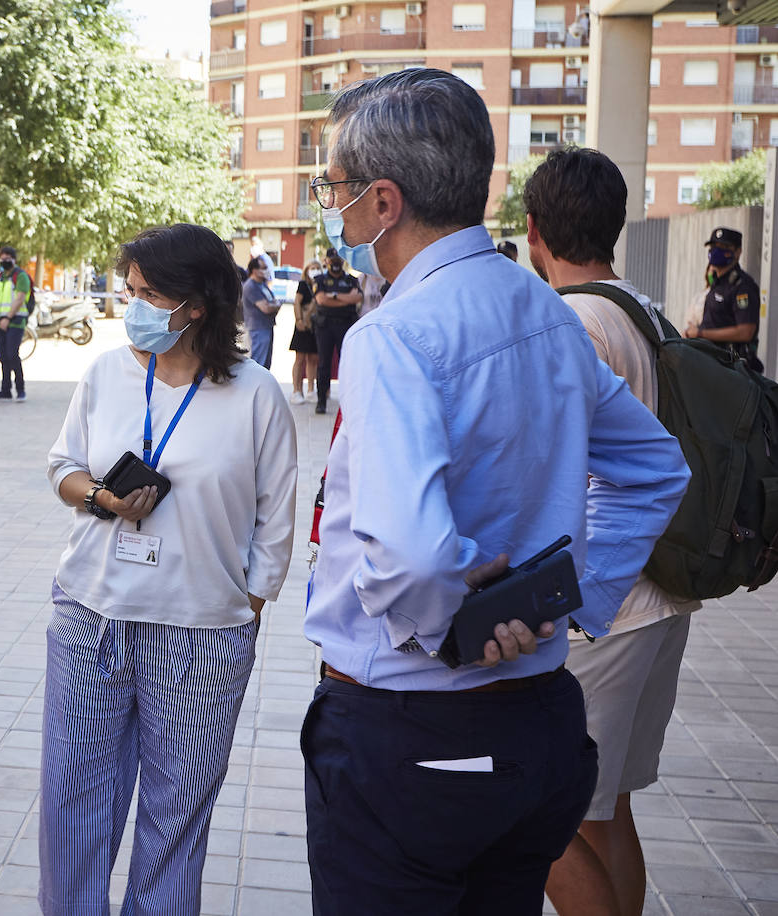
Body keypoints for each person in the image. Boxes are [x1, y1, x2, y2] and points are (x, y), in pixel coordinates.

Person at [301, 68, 690, 915]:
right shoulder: (545, 308)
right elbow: (656, 469)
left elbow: (408, 554)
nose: (328, 207)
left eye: (332, 188)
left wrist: (459, 633)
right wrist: (569, 601)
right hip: (539, 722)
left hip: (412, 733)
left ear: (382, 202)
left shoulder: (396, 336)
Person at [43, 223, 297, 915]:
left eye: (150, 294)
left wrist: (247, 603)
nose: (133, 308)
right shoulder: (106, 373)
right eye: (130, 291)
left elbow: (277, 516)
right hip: (91, 616)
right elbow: (63, 465)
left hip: (201, 634)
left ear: (198, 305)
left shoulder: (255, 395)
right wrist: (100, 497)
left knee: (175, 817)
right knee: (73, 805)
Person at [525, 148, 703, 916]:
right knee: (606, 810)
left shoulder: (571, 321)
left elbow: (557, 471)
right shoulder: (641, 307)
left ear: (534, 231)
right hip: (658, 598)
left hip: (606, 607)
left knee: (543, 813)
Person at [686, 227, 764, 373]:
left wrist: (701, 333)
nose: (716, 251)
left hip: (732, 370)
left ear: (738, 252)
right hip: (711, 363)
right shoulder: (717, 283)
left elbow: (746, 331)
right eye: (714, 247)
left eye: (724, 247)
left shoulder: (742, 286)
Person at [311, 248, 361, 414]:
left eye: (339, 260)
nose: (336, 263)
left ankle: (348, 400)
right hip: (325, 326)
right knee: (324, 364)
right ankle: (321, 401)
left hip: (345, 325)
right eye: (333, 260)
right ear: (326, 261)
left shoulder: (351, 280)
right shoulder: (320, 279)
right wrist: (344, 299)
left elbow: (357, 298)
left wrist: (332, 297)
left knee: (346, 363)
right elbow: (320, 299)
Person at [0, 243, 32, 400]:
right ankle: (5, 389)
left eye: (7, 259)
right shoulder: (0, 278)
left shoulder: (20, 276)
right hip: (0, 321)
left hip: (15, 320)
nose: (4, 261)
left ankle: (20, 389)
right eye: (2, 259)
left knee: (12, 354)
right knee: (3, 356)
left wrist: (8, 317)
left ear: (14, 260)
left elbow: (20, 298)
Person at [288, 258, 323, 404]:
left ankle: (310, 390)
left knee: (313, 359)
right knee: (300, 358)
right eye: (311, 267)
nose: (314, 270)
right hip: (303, 324)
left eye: (317, 267)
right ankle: (296, 390)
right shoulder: (303, 285)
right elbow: (297, 302)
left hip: (315, 326)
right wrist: (299, 320)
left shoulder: (321, 284)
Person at [240, 255, 279, 367]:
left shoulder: (263, 285)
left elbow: (274, 302)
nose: (267, 270)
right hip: (257, 329)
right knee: (258, 362)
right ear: (255, 270)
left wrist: (273, 305)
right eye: (264, 268)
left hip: (267, 326)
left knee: (266, 363)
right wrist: (274, 306)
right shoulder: (251, 286)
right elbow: (266, 308)